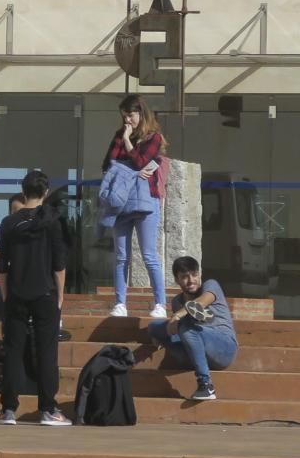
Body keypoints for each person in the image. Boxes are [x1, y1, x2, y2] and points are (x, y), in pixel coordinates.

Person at [0, 170, 70, 425]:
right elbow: (59, 264)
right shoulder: (53, 221)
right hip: (46, 292)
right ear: (45, 192)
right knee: (47, 352)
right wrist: (60, 296)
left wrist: (5, 294)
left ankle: (7, 410)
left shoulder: (9, 223)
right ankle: (48, 408)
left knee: (13, 350)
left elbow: (1, 265)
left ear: (23, 191)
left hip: (16, 292)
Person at [102, 94, 168, 320]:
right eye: (124, 117)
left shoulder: (154, 137)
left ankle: (160, 303)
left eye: (130, 115)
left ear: (141, 113)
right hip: (121, 202)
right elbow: (109, 163)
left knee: (149, 255)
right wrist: (124, 141)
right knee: (121, 257)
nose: (127, 121)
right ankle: (120, 303)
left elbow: (141, 161)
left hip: (146, 202)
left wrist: (129, 143)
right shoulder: (119, 136)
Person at [147, 256, 239, 401]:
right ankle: (186, 334)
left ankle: (206, 385)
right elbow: (172, 328)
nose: (191, 280)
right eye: (184, 277)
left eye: (194, 275)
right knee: (155, 326)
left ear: (199, 274)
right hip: (192, 350)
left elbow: (202, 302)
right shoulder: (177, 301)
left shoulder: (210, 286)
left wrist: (178, 315)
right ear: (177, 280)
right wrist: (160, 335)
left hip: (223, 347)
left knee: (187, 326)